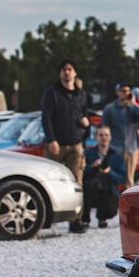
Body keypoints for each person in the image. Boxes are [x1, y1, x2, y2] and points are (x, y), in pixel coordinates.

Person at [42, 58, 91, 233]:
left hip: (75, 144)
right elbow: (46, 117)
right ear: (60, 73)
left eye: (70, 69)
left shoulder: (80, 94)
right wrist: (51, 139)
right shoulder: (53, 92)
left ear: (75, 72)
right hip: (57, 144)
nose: (66, 72)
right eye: (63, 69)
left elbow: (84, 116)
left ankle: (76, 221)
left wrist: (85, 130)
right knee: (47, 178)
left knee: (77, 181)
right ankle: (44, 216)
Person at [102, 83, 139, 189]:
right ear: (117, 92)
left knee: (129, 179)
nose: (126, 93)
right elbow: (104, 127)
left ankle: (128, 203)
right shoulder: (110, 108)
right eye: (123, 91)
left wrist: (133, 104)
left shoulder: (131, 108)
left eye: (128, 91)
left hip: (131, 148)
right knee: (114, 177)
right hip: (115, 148)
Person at [82, 125, 125, 228]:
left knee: (111, 206)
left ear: (110, 137)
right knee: (87, 188)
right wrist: (92, 166)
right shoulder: (88, 153)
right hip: (91, 186)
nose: (104, 138)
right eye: (101, 135)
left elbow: (122, 178)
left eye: (106, 135)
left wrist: (109, 171)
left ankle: (102, 218)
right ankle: (85, 219)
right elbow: (81, 172)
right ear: (96, 137)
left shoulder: (116, 156)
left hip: (108, 186)